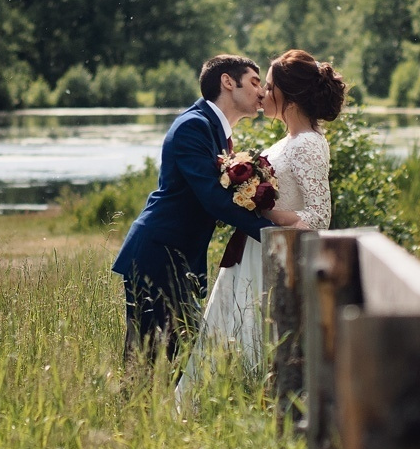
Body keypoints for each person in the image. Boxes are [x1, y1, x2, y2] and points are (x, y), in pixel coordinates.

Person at [176, 49, 346, 400]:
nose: (262, 94)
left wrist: (263, 213)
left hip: (275, 252)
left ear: (287, 94)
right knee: (231, 335)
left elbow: (318, 216)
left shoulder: (310, 144)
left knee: (258, 338)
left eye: (268, 86)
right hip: (255, 249)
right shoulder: (286, 141)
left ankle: (255, 401)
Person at [111, 55, 276, 367]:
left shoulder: (214, 130)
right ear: (228, 82)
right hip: (157, 256)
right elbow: (212, 198)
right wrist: (272, 234)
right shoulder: (193, 126)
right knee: (146, 362)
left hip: (177, 258)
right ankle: (132, 416)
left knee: (181, 361)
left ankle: (161, 415)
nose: (262, 92)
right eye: (255, 82)